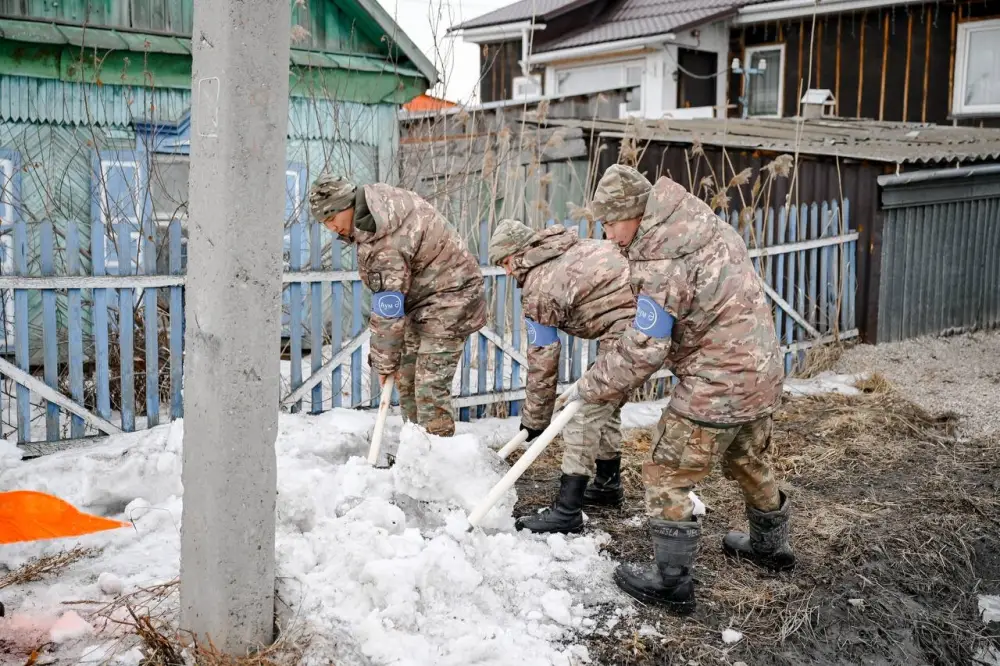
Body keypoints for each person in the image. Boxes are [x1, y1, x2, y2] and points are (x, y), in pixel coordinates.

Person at [554, 164, 793, 614]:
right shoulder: (704, 226)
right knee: (748, 459)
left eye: (610, 222)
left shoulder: (661, 259)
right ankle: (771, 548)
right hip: (760, 370)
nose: (608, 236)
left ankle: (671, 584)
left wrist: (592, 385)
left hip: (716, 381)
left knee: (667, 474)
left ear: (633, 213)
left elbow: (646, 349)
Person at [308, 174, 487, 437]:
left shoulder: (384, 238)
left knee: (428, 388)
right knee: (407, 378)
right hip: (423, 300)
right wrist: (392, 362)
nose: (331, 228)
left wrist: (383, 363)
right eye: (324, 223)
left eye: (332, 219)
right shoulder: (374, 208)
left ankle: (436, 462)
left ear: (346, 205)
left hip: (452, 299)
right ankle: (415, 453)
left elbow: (388, 309)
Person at [487, 219, 635, 533]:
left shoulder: (539, 286)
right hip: (638, 319)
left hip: (636, 329)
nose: (507, 272)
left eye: (505, 263)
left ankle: (567, 510)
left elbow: (543, 360)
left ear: (519, 254)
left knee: (585, 408)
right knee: (604, 400)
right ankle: (608, 485)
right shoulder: (571, 248)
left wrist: (535, 420)